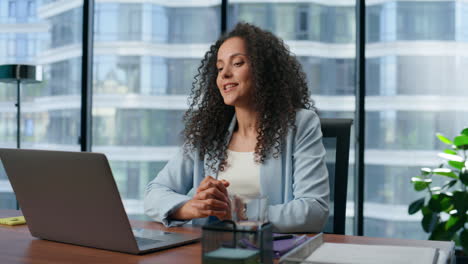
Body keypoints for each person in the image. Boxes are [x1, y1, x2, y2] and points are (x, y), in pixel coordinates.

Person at [144, 22, 329, 233]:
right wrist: (190, 207)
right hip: (208, 250)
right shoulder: (208, 132)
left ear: (263, 71)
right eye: (220, 68)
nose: (224, 74)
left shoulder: (299, 124)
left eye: (238, 63)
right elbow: (154, 193)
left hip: (269, 252)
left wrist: (237, 210)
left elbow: (314, 211)